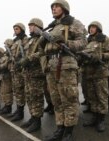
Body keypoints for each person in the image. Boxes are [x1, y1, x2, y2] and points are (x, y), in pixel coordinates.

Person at [35, 0, 87, 140]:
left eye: (57, 6)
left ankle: (68, 131)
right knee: (56, 100)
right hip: (51, 66)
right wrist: (44, 63)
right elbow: (41, 50)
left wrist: (66, 42)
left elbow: (82, 43)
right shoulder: (52, 28)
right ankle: (60, 128)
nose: (54, 8)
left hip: (65, 64)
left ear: (64, 8)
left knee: (68, 98)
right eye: (52, 7)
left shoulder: (74, 23)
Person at [80, 21, 109, 132]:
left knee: (101, 97)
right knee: (92, 97)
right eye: (90, 27)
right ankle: (94, 118)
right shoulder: (87, 41)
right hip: (88, 73)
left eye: (93, 27)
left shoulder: (104, 39)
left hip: (100, 73)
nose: (91, 29)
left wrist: (99, 56)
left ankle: (101, 120)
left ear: (98, 28)